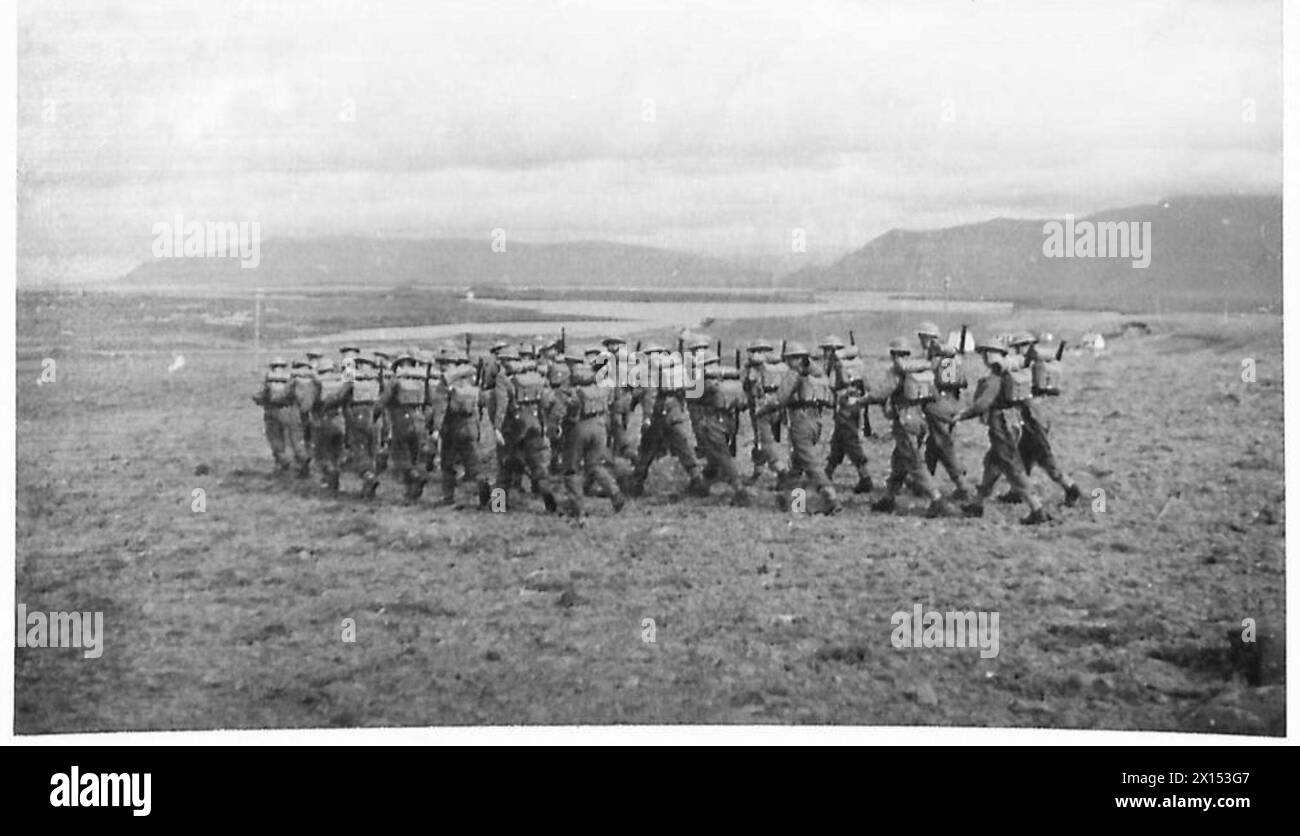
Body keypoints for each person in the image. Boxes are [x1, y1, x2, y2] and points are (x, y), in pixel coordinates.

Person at [954, 337, 1051, 525]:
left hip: (1001, 426)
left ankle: (1036, 508)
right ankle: (976, 504)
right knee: (992, 463)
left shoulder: (994, 377)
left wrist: (963, 415)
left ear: (989, 354)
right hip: (1012, 422)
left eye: (984, 354)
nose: (982, 358)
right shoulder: (1011, 371)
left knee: (1011, 468)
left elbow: (982, 404)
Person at [870, 339, 957, 518]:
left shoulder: (897, 372)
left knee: (914, 462)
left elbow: (880, 394)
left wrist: (860, 400)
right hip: (919, 420)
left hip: (904, 421)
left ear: (893, 354)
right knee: (899, 461)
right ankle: (889, 498)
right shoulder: (923, 370)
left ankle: (937, 500)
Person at [754, 343, 841, 514]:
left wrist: (763, 410)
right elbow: (830, 400)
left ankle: (831, 497)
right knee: (796, 466)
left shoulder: (795, 374)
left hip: (800, 421)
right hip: (816, 421)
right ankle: (795, 503)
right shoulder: (819, 375)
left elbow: (780, 399)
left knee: (809, 462)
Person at [1008, 331, 1081, 507]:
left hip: (1034, 418)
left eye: (1020, 346)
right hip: (1035, 416)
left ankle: (1070, 487)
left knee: (1045, 459)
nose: (1018, 350)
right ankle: (1017, 491)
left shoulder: (1032, 367)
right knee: (1024, 455)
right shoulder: (1036, 365)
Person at [629, 344, 707, 498]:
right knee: (684, 448)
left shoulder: (649, 371)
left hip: (657, 417)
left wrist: (646, 418)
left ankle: (637, 483)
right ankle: (697, 479)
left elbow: (648, 397)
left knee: (647, 450)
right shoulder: (675, 368)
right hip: (675, 414)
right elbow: (687, 390)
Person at [561, 361, 626, 519]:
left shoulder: (575, 393)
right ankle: (615, 492)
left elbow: (568, 414)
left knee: (572, 470)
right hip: (599, 426)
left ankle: (577, 508)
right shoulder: (601, 390)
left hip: (580, 428)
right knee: (595, 465)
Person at [917, 321, 975, 500]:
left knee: (943, 447)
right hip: (954, 403)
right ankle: (925, 482)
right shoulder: (955, 357)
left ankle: (962, 485)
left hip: (937, 404)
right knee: (935, 444)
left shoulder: (934, 358)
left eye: (922, 337)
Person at [687, 353, 752, 505]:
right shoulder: (732, 381)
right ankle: (703, 486)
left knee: (722, 456)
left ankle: (739, 490)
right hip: (729, 421)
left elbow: (690, 396)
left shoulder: (706, 382)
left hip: (712, 420)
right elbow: (742, 403)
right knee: (714, 456)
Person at [823, 344, 874, 493]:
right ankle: (827, 473)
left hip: (845, 409)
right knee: (838, 443)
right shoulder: (858, 365)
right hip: (853, 408)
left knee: (851, 443)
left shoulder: (838, 367)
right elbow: (867, 386)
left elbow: (831, 385)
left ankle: (866, 479)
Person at [742, 338, 790, 487]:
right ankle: (758, 472)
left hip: (761, 407)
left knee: (765, 441)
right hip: (777, 406)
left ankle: (782, 471)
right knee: (761, 441)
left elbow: (748, 383)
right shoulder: (781, 366)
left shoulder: (757, 368)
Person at [252, 357, 307, 474]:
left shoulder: (269, 377)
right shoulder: (291, 377)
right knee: (292, 439)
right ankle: (300, 462)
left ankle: (282, 462)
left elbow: (259, 395)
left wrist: (261, 401)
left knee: (275, 438)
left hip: (271, 411)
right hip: (288, 410)